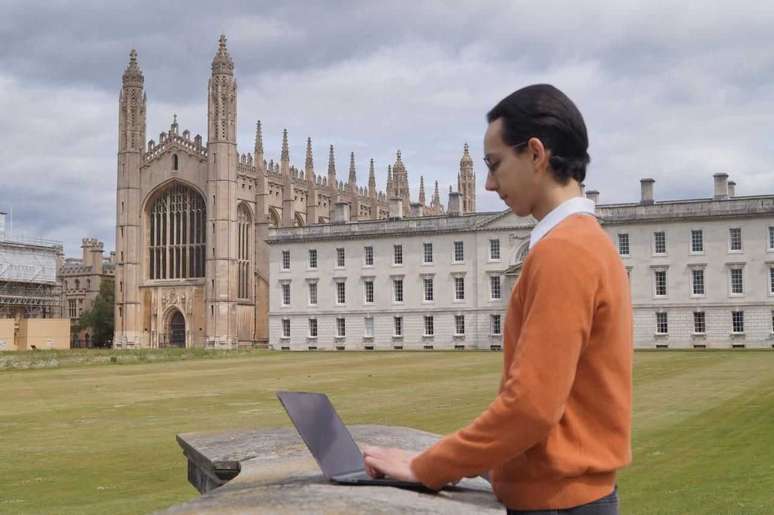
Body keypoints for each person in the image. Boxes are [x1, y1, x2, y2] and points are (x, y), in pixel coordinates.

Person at [363, 84, 633, 515]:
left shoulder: (564, 251)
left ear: (536, 154)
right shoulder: (587, 242)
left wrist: (428, 466)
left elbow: (531, 408)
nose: (489, 184)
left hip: (557, 505)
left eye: (495, 164)